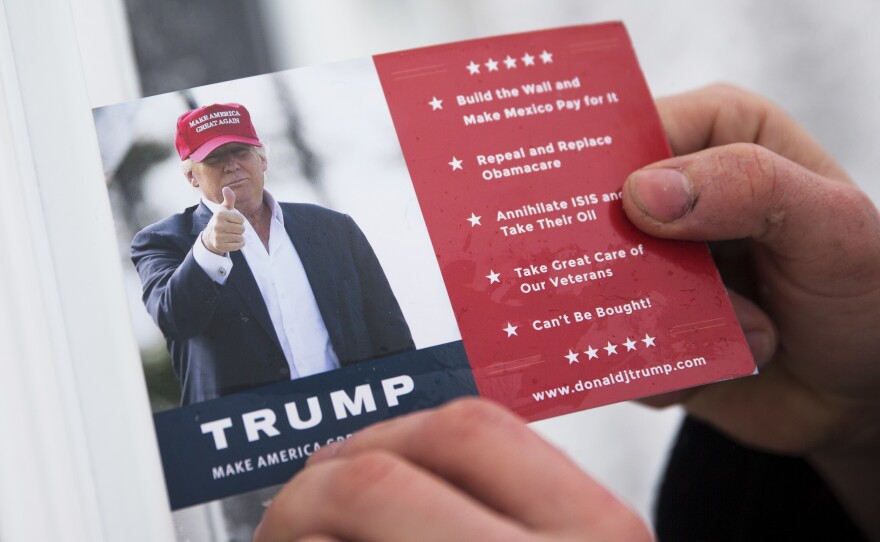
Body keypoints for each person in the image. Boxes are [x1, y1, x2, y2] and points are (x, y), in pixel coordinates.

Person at [252, 85, 880, 541]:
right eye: (216, 164)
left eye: (242, 157)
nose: (233, 175)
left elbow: (384, 317)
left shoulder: (332, 227)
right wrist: (860, 429)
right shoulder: (172, 249)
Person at [131, 103, 415, 405]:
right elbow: (173, 319)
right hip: (252, 439)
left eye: (241, 151)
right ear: (191, 177)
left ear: (262, 158)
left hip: (358, 413)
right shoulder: (161, 241)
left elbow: (390, 333)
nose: (231, 165)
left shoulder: (333, 228)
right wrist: (209, 250)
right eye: (213, 158)